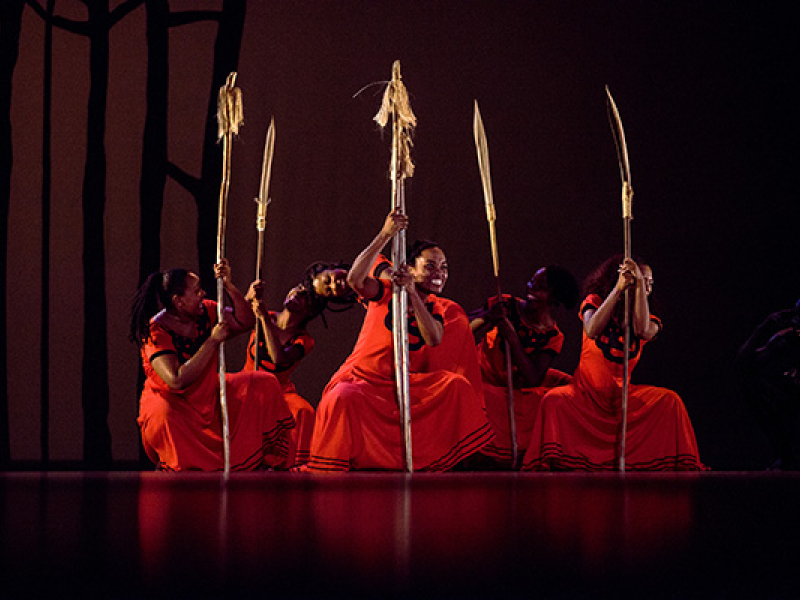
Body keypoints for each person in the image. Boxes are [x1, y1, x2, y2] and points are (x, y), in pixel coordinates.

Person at [306, 209, 493, 472]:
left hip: (403, 381)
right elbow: (355, 280)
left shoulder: (435, 307)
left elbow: (434, 338)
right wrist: (385, 234)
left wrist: (412, 294)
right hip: (365, 378)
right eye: (429, 266)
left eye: (443, 267)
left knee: (455, 386)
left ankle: (438, 463)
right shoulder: (386, 290)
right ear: (410, 268)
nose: (438, 273)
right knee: (341, 397)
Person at [522, 255, 706, 471]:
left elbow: (641, 330)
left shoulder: (650, 320)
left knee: (670, 401)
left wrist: (636, 289)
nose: (647, 287)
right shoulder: (594, 302)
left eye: (649, 283)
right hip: (586, 395)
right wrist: (619, 289)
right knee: (553, 401)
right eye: (642, 280)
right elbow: (591, 329)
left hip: (622, 398)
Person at [130, 260, 295, 472]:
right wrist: (212, 341)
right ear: (178, 301)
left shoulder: (206, 311)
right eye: (196, 291)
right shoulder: (156, 331)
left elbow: (243, 322)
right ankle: (185, 470)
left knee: (263, 383)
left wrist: (228, 285)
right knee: (164, 415)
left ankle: (266, 461)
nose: (203, 294)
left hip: (206, 393)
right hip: (173, 402)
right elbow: (176, 379)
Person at [243, 261, 357, 468]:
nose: (296, 294)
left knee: (303, 412)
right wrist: (249, 297)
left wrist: (263, 320)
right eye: (299, 289)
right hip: (248, 384)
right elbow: (238, 319)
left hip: (279, 392)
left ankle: (292, 467)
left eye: (304, 296)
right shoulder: (266, 315)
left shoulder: (303, 340)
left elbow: (278, 358)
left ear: (311, 310)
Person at [469, 265, 579, 468]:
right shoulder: (506, 305)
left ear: (554, 298)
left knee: (548, 399)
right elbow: (463, 330)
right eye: (531, 283)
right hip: (481, 374)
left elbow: (533, 378)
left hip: (514, 386)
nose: (530, 289)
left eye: (540, 287)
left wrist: (512, 337)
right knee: (482, 395)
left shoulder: (552, 337)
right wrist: (487, 315)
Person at [736, 299, 800, 470]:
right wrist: (764, 328)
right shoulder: (790, 338)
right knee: (756, 386)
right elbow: (745, 362)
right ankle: (787, 455)